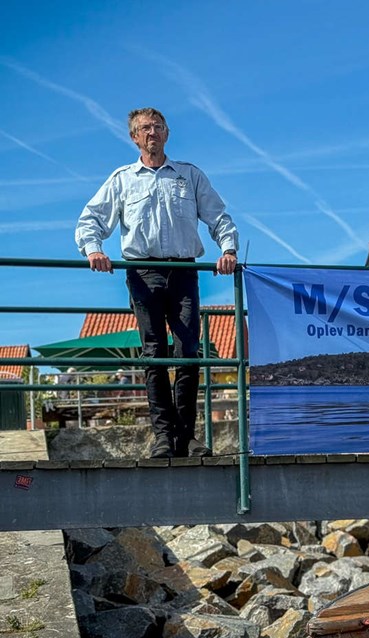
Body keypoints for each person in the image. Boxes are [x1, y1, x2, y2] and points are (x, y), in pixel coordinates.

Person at [75, 108, 238, 458]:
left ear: (167, 134)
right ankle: (163, 436)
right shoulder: (122, 179)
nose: (153, 133)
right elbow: (90, 219)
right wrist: (94, 250)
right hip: (142, 272)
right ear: (134, 137)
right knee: (154, 352)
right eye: (145, 128)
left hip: (183, 271)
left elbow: (219, 216)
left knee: (189, 352)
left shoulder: (189, 175)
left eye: (158, 127)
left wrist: (228, 249)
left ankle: (186, 437)